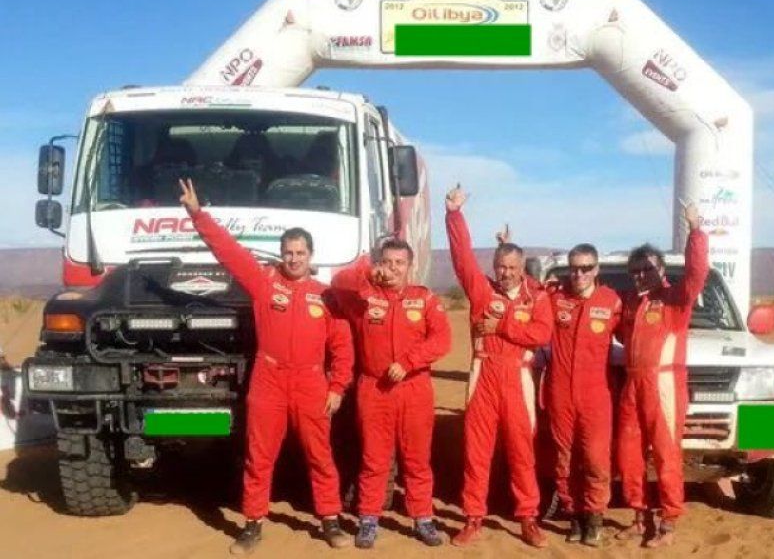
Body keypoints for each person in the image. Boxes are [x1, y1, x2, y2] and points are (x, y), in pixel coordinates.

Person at [177, 178, 354, 554]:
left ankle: (330, 520)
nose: (294, 258)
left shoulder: (327, 297)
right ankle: (253, 523)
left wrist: (337, 387)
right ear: (280, 255)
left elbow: (342, 348)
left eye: (300, 252)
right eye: (288, 252)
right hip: (269, 379)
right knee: (260, 457)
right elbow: (227, 250)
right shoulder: (263, 283)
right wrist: (197, 213)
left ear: (310, 254)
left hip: (310, 383)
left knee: (320, 456)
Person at [445, 185, 553, 548]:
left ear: (522, 269)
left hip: (518, 378)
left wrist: (502, 326)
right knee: (476, 452)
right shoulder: (481, 291)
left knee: (522, 452)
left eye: (511, 267)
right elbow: (461, 259)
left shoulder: (536, 297)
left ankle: (528, 518)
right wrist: (454, 215)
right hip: (484, 374)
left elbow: (540, 333)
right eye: (500, 267)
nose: (505, 273)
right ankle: (473, 517)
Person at [331, 239, 451, 549]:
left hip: (415, 389)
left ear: (410, 267)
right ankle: (369, 519)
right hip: (374, 389)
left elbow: (442, 339)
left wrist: (409, 362)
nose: (393, 268)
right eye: (387, 262)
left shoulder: (423, 299)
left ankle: (423, 518)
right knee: (374, 459)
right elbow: (337, 282)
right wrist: (369, 274)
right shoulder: (363, 298)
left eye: (399, 262)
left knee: (417, 459)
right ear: (379, 264)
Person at [615, 202, 709, 548]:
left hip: (665, 384)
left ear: (662, 269)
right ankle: (640, 516)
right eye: (636, 270)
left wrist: (695, 231)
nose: (641, 275)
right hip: (632, 385)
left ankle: (669, 522)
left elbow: (697, 275)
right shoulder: (628, 303)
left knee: (667, 453)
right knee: (628, 454)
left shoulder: (675, 299)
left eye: (648, 269)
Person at [536, 244, 621, 546]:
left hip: (596, 395)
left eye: (586, 268)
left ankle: (595, 517)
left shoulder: (612, 301)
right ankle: (574, 515)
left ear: (597, 269)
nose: (579, 273)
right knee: (565, 459)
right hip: (560, 392)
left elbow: (637, 331)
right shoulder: (555, 297)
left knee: (596, 459)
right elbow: (525, 292)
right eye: (574, 268)